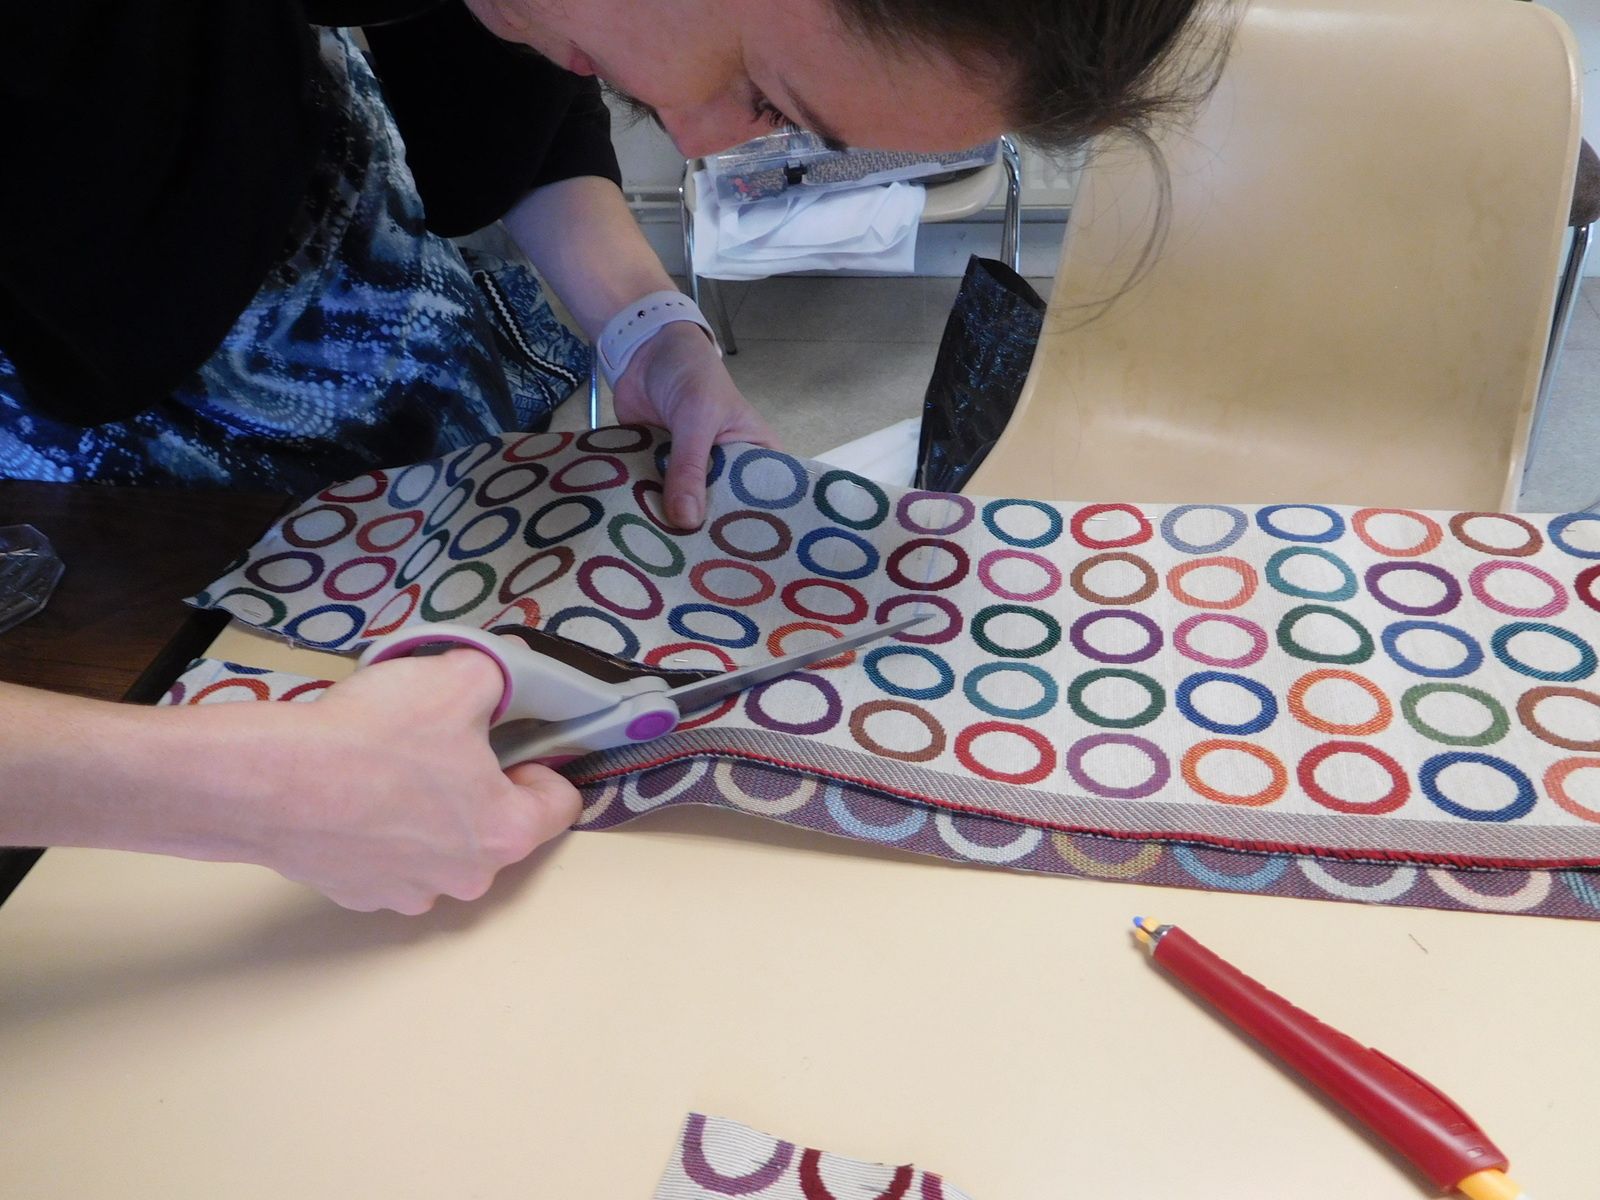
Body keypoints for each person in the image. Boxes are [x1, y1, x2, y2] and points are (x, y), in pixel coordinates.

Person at [0, 0, 1220, 913]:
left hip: (353, 373)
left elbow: (517, 64)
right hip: (83, 550)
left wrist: (649, 330)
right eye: (762, 95)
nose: (702, 145)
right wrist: (246, 792)